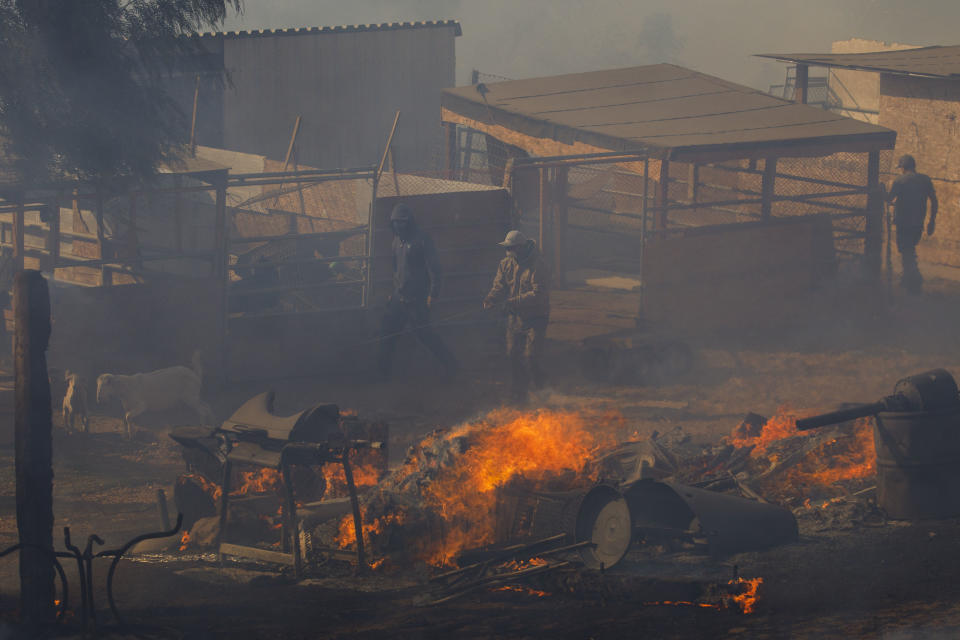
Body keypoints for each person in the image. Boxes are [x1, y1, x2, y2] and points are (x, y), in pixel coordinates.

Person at [377, 203, 458, 380]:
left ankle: (453, 369)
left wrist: (433, 295)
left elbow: (435, 269)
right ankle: (382, 375)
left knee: (426, 336)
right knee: (387, 335)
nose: (399, 225)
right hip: (399, 298)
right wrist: (393, 292)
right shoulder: (395, 242)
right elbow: (396, 270)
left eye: (402, 222)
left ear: (409, 222)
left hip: (417, 298)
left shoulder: (422, 239)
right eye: (396, 222)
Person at [483, 230, 551, 404]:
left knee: (532, 357)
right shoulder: (506, 264)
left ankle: (541, 392)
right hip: (516, 318)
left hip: (536, 318)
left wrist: (512, 302)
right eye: (507, 248)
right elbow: (499, 285)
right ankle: (519, 394)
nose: (508, 251)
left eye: (511, 248)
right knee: (513, 355)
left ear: (521, 247)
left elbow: (538, 295)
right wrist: (491, 298)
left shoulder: (538, 265)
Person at [883, 154, 937, 294]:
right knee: (910, 249)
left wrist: (882, 192)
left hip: (903, 222)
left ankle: (914, 281)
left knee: (906, 251)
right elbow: (934, 200)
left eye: (900, 168)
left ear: (903, 168)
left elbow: (889, 199)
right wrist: (932, 221)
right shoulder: (925, 180)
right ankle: (908, 279)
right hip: (918, 223)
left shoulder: (900, 181)